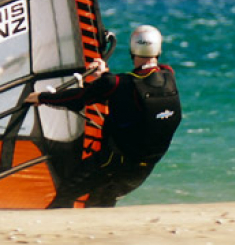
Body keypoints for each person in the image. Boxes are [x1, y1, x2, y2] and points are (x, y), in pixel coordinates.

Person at [25, 25, 182, 208]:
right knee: (102, 199)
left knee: (67, 192)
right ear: (158, 50)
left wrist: (42, 97)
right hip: (142, 169)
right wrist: (104, 75)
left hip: (114, 163)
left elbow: (78, 98)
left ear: (132, 49)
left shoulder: (117, 84)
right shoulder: (168, 76)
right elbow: (130, 85)